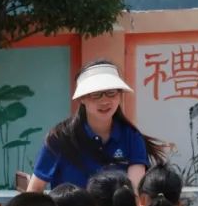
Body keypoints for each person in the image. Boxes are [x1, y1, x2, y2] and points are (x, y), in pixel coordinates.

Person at [26, 60, 164, 194]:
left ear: (120, 95)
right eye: (95, 94)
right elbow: (34, 190)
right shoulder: (59, 138)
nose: (104, 100)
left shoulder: (132, 137)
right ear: (82, 99)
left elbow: (133, 194)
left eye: (111, 92)